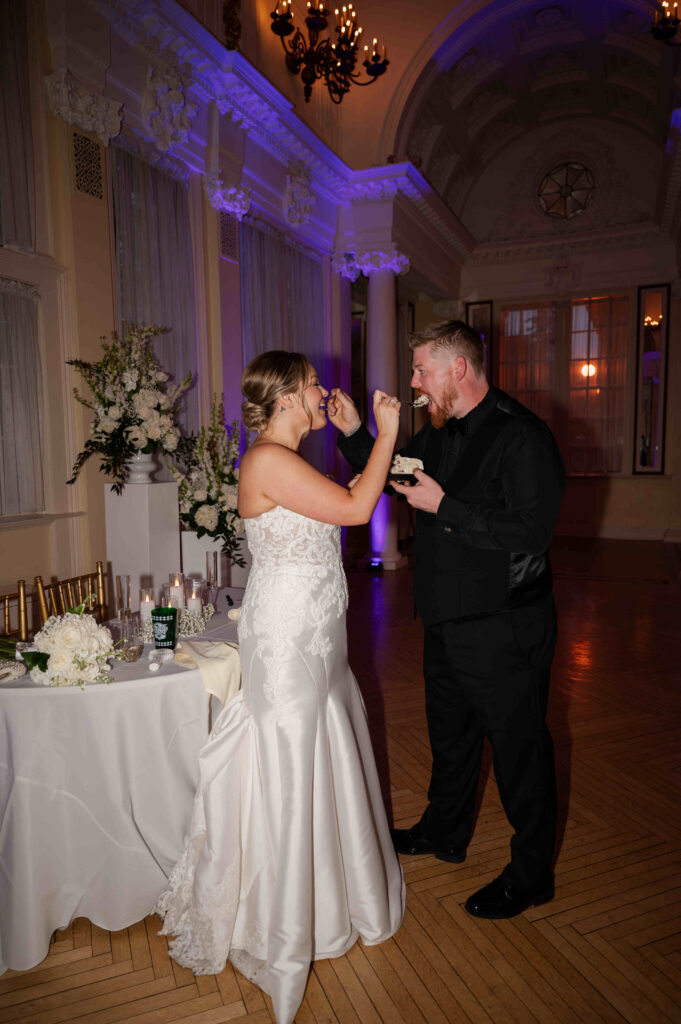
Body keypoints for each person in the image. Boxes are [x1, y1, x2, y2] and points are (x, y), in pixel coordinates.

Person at [156, 351, 405, 1024]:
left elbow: (338, 507)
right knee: (291, 756)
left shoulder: (291, 460)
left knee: (322, 743)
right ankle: (285, 926)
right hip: (287, 638)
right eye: (313, 385)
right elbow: (356, 510)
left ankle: (330, 897)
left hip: (318, 633)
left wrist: (362, 441)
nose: (322, 391)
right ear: (290, 397)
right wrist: (383, 435)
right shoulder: (266, 459)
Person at [329, 320, 565, 920]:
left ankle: (532, 873)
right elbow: (398, 477)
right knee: (451, 736)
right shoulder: (440, 432)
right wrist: (358, 434)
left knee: (519, 750)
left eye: (420, 371)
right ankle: (445, 831)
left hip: (505, 624)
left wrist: (447, 507)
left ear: (458, 369)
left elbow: (532, 533)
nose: (413, 384)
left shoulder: (523, 436)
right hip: (446, 616)